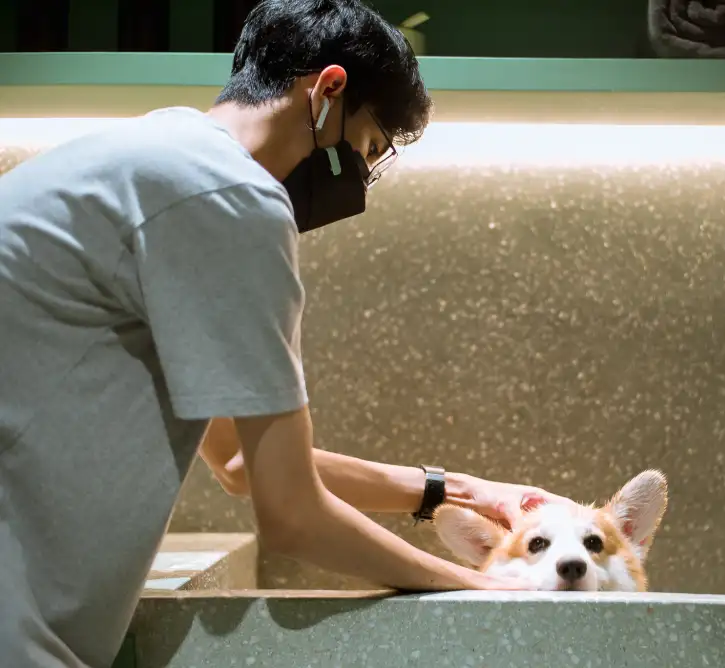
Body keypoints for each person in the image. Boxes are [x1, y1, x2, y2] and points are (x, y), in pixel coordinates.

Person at [0, 1, 569, 666]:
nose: (359, 178)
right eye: (368, 149)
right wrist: (486, 589)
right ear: (329, 90)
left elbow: (237, 461)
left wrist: (461, 491)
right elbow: (292, 516)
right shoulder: (230, 198)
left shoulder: (152, 159)